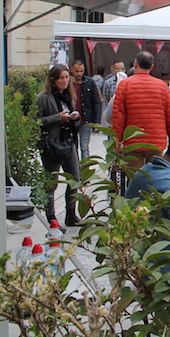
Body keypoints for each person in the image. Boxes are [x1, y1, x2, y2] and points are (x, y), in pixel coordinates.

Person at [112, 51, 170, 169]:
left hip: (132, 141)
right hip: (156, 141)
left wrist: (118, 140)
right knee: (154, 176)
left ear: (135, 64)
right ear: (152, 66)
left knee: (135, 176)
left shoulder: (124, 85)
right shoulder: (162, 86)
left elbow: (118, 116)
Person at [36, 64, 82, 226]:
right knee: (51, 182)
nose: (64, 81)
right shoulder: (43, 98)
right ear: (53, 80)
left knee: (74, 179)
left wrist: (75, 118)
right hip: (51, 145)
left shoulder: (69, 96)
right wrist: (58, 118)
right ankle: (51, 217)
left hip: (68, 142)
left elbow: (74, 122)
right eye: (61, 78)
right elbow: (36, 121)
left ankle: (71, 214)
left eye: (66, 77)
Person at [70, 60, 102, 162]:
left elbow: (96, 102)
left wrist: (96, 121)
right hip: (71, 120)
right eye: (77, 71)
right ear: (71, 70)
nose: (79, 74)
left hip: (86, 119)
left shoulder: (89, 82)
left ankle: (85, 168)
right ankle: (75, 168)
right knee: (72, 147)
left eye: (81, 71)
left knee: (84, 147)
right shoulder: (68, 83)